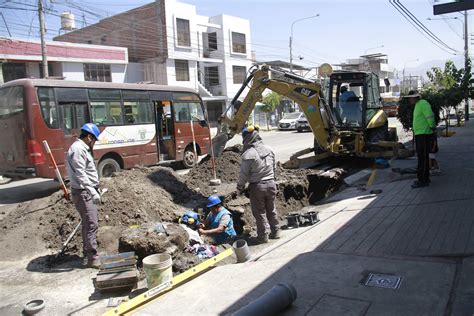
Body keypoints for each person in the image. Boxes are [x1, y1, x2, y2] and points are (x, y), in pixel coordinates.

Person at [66, 123, 101, 268]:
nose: (93, 143)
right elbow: (81, 174)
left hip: (85, 191)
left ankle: (87, 253)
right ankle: (92, 258)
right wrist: (92, 191)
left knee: (87, 224)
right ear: (88, 137)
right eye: (93, 140)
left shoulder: (81, 148)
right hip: (83, 192)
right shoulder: (79, 149)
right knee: (92, 224)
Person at [237, 126, 280, 244]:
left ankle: (263, 236)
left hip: (257, 187)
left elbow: (243, 174)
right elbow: (274, 168)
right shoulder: (269, 149)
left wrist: (240, 187)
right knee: (271, 209)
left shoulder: (248, 154)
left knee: (260, 212)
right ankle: (276, 231)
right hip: (271, 184)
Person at [405, 90, 435, 188]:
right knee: (422, 158)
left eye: (410, 98)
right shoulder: (419, 105)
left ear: (414, 97)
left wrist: (431, 127)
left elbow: (430, 116)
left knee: (423, 158)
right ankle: (424, 178)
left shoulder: (423, 104)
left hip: (424, 134)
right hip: (420, 134)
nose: (409, 100)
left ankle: (423, 180)